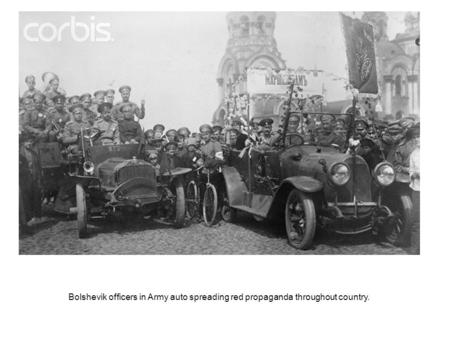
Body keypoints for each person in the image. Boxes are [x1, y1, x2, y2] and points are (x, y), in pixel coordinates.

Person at [409, 123, 420, 254]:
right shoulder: (414, 154)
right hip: (418, 189)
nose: (417, 139)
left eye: (420, 136)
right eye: (416, 137)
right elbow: (411, 171)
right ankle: (414, 250)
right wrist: (414, 174)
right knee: (416, 220)